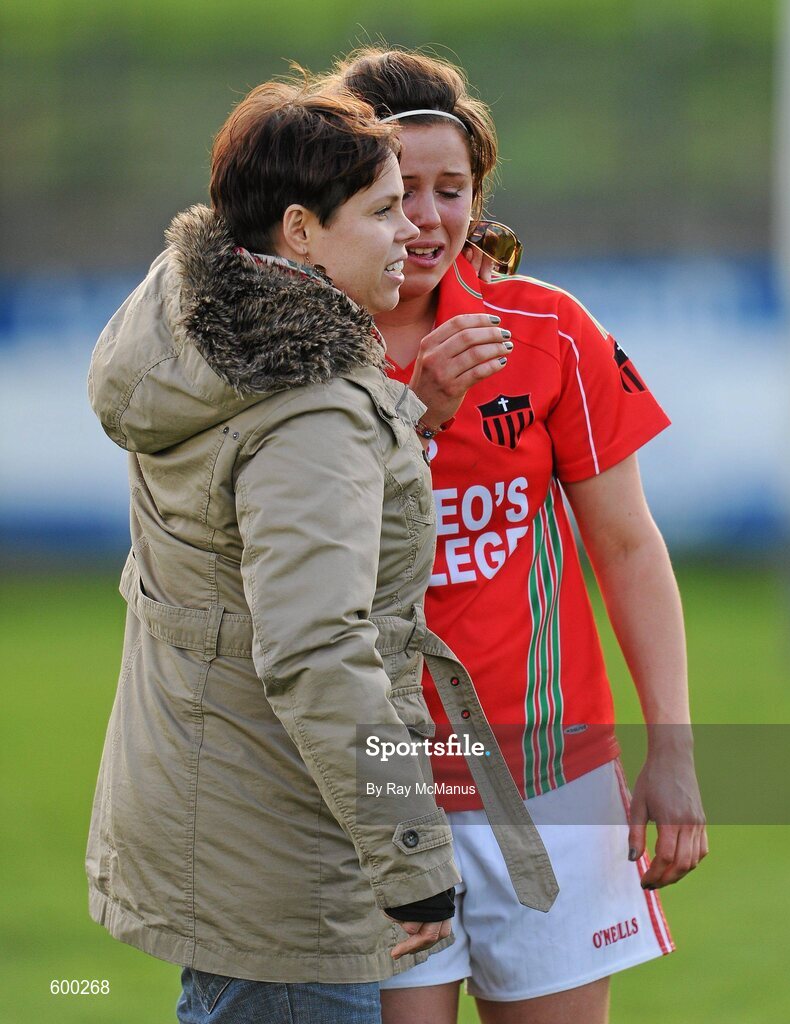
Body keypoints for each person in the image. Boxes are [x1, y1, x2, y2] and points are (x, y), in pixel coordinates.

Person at [329, 48, 709, 1024]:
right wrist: (415, 406)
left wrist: (670, 749)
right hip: (370, 780)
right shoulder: (302, 349)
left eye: (449, 189)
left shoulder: (547, 333)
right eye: (395, 189)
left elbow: (625, 546)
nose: (424, 218)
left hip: (549, 779)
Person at [84, 80, 468, 1024]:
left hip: (211, 813)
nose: (413, 232)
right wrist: (411, 856)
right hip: (277, 849)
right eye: (382, 211)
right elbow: (315, 649)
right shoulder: (308, 407)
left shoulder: (198, 333)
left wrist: (405, 418)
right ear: (298, 231)